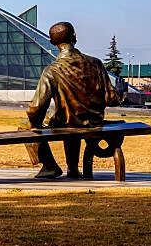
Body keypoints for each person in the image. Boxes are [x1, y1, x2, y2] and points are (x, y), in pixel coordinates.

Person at [26, 21, 121, 179]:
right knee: (69, 119)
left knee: (29, 125)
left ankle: (49, 166)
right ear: (75, 37)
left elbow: (36, 107)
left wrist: (34, 122)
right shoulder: (96, 64)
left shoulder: (52, 71)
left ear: (52, 42)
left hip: (68, 123)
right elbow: (112, 98)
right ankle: (72, 169)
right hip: (95, 122)